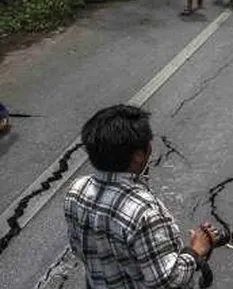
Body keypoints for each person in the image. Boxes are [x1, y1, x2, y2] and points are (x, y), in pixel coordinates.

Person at [64, 105, 220, 289]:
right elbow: (168, 280)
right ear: (139, 156)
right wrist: (195, 251)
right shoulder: (144, 213)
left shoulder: (76, 190)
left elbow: (78, 248)